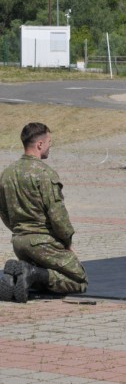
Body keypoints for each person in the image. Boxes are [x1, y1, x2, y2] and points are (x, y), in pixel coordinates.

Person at [0, 122, 88, 302]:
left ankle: (18, 277)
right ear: (40, 144)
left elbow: (4, 212)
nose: (50, 146)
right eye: (49, 142)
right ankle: (31, 272)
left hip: (19, 242)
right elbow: (58, 215)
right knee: (78, 280)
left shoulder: (7, 173)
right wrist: (67, 242)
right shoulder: (45, 174)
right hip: (43, 242)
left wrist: (19, 230)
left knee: (46, 274)